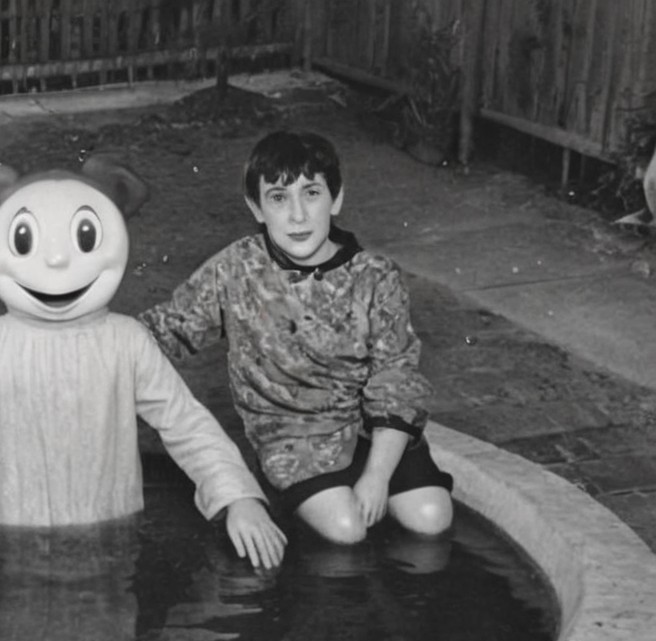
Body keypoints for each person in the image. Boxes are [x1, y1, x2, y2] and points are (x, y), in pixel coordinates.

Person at [0, 155, 285, 573]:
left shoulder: (126, 342)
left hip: (109, 532)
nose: (57, 262)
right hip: (6, 536)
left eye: (82, 236)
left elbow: (187, 423)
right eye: (26, 239)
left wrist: (239, 497)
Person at [138, 130, 453, 545]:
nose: (299, 216)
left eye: (312, 193)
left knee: (432, 518)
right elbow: (168, 327)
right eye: (279, 198)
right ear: (257, 207)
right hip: (292, 438)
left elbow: (396, 380)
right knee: (347, 530)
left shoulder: (376, 275)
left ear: (336, 199)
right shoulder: (236, 267)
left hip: (368, 432)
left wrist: (377, 477)